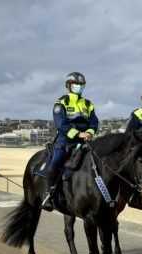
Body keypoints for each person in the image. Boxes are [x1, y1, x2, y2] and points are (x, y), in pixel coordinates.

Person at [41, 72, 99, 211]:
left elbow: (94, 121)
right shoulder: (61, 102)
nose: (79, 87)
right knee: (55, 164)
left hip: (85, 142)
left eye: (81, 85)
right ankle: (48, 195)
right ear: (69, 85)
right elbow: (61, 124)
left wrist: (90, 133)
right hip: (64, 142)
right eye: (76, 84)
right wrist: (79, 134)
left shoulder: (88, 104)